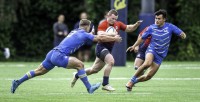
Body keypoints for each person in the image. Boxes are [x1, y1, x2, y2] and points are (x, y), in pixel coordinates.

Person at [11, 19, 122, 94]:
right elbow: (100, 39)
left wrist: (93, 34)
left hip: (52, 53)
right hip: (59, 55)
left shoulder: (75, 31)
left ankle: (17, 82)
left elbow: (93, 37)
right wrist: (114, 38)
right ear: (87, 26)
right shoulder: (84, 33)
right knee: (80, 64)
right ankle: (89, 88)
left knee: (39, 71)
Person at [71, 9, 143, 91]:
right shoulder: (103, 24)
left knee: (93, 70)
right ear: (108, 16)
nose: (114, 20)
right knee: (111, 61)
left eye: (115, 19)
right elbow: (101, 35)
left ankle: (77, 75)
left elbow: (129, 28)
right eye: (112, 18)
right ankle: (105, 84)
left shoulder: (117, 24)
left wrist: (136, 25)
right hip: (101, 47)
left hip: (107, 49)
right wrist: (113, 36)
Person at [126, 9, 186, 91]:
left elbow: (182, 33)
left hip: (160, 55)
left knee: (148, 76)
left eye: (159, 19)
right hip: (152, 50)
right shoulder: (151, 28)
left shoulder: (170, 27)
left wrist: (183, 35)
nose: (157, 20)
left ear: (164, 19)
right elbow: (142, 38)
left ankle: (134, 82)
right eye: (156, 18)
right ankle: (131, 80)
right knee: (147, 63)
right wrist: (134, 46)